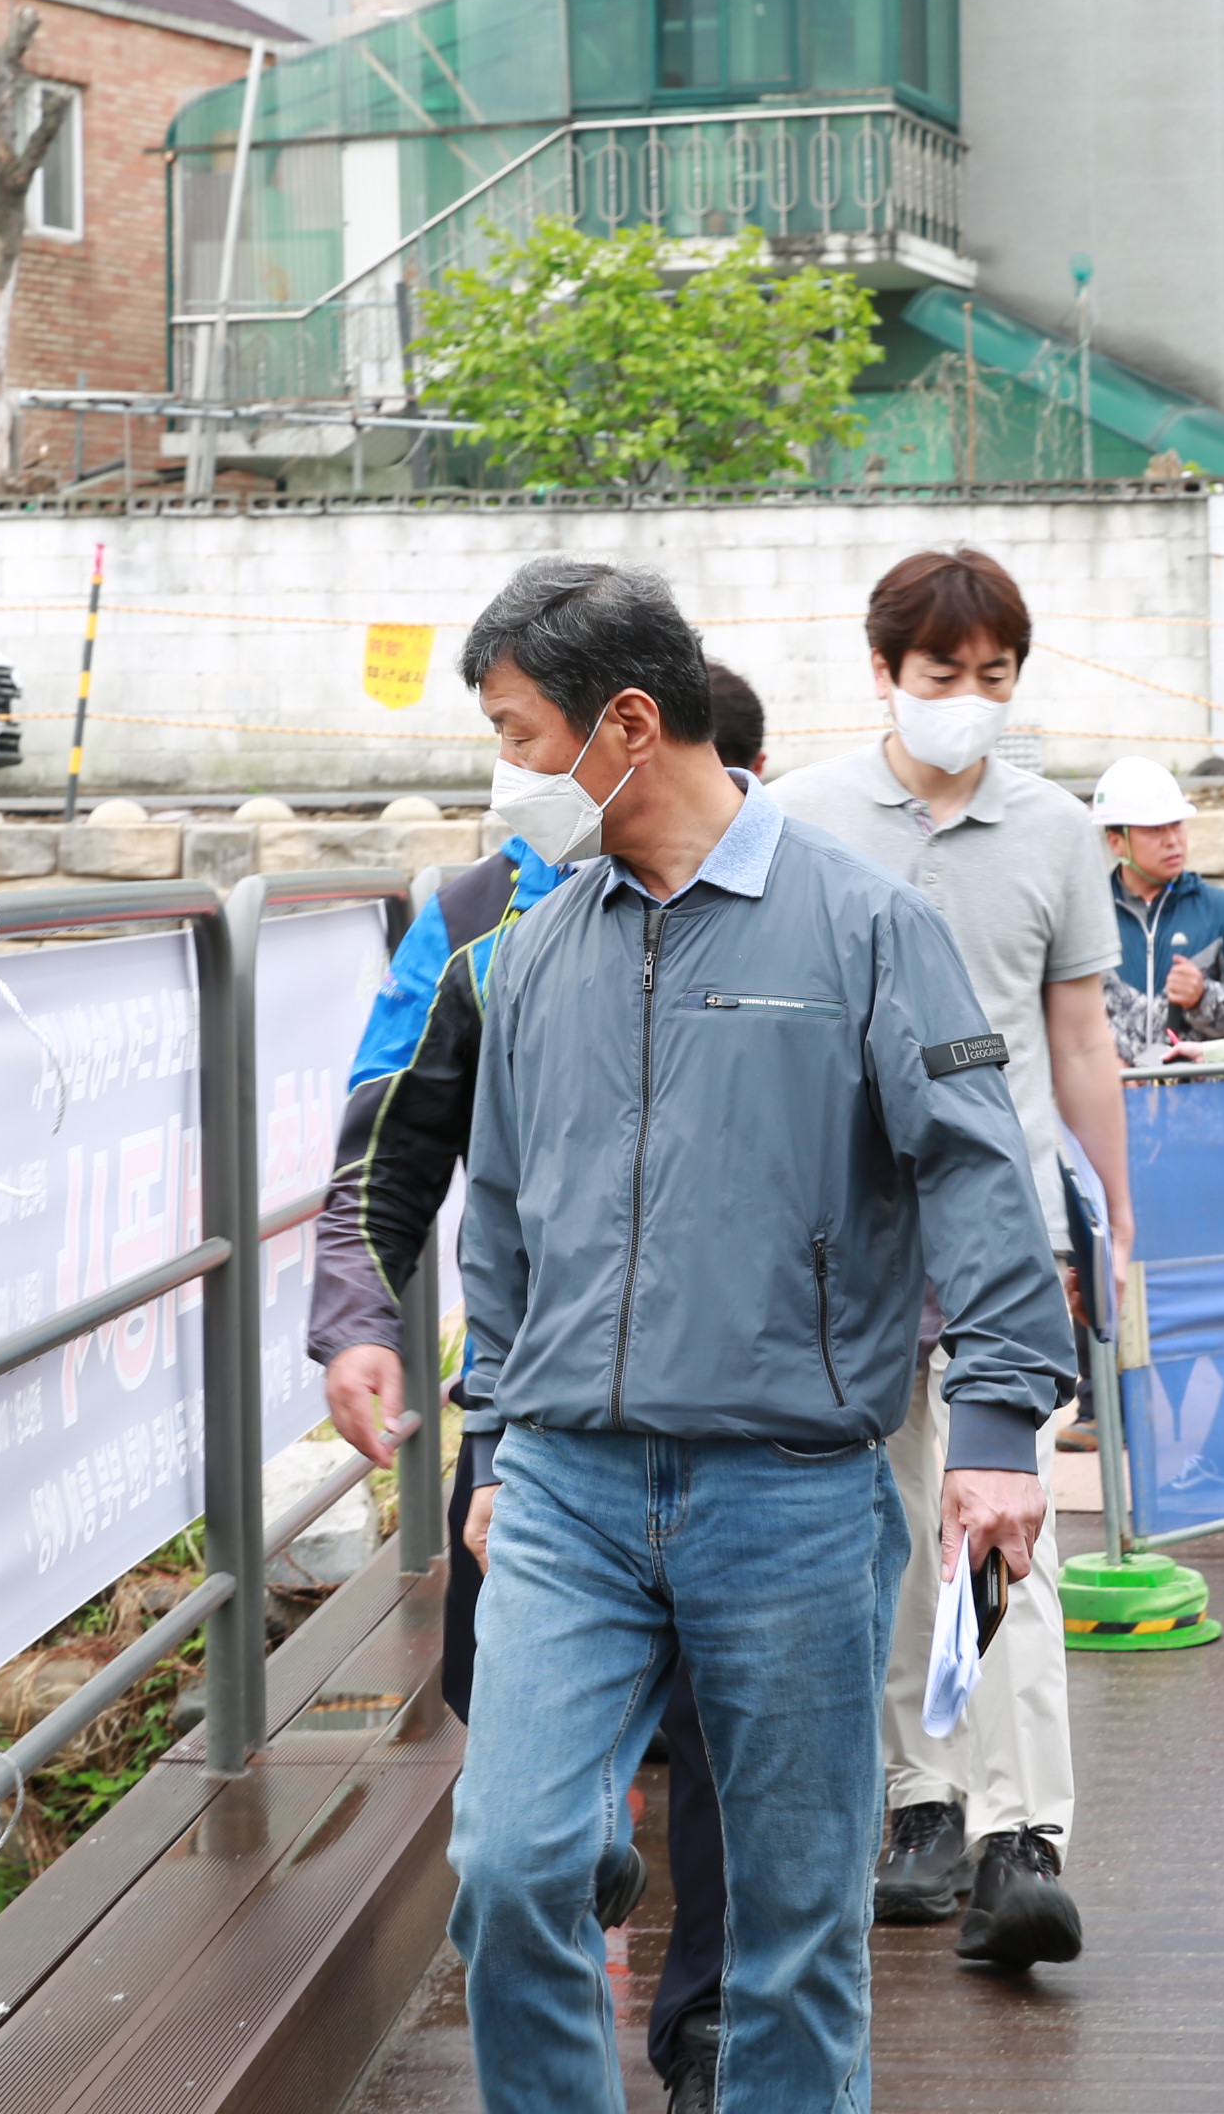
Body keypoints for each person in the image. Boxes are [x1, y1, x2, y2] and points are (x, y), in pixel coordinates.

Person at [442, 559, 1072, 2114]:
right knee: (512, 1865)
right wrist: (493, 1439)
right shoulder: (530, 953)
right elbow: (503, 1220)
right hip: (570, 1494)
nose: (505, 776)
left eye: (522, 737)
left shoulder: (868, 929)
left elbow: (979, 1171)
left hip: (791, 1495)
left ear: (628, 725)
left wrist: (995, 1435)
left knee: (795, 1935)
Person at [304, 658, 778, 2114]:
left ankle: (703, 2032)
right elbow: (384, 1148)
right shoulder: (470, 924)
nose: (518, 769)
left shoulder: (809, 922)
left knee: (721, 1743)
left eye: (523, 736)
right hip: (538, 1417)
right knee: (503, 1715)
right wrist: (356, 1319)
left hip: (748, 1430)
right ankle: (582, 1880)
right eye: (509, 739)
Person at [769, 547, 1132, 1971]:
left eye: (994, 678)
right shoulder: (797, 818)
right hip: (847, 1241)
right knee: (891, 1525)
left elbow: (1082, 1037)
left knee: (1010, 1525)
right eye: (942, 677)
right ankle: (922, 1810)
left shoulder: (1054, 830)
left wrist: (1109, 1218)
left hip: (1001, 1241)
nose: (968, 701)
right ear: (884, 674)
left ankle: (1020, 1834)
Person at [1091, 756, 1224, 1057]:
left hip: (1201, 1099)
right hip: (1112, 1097)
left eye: (1177, 825)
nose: (1173, 840)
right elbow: (1061, 1018)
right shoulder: (1088, 916)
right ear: (1116, 842)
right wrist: (1107, 1066)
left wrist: (1202, 997)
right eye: (1155, 830)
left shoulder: (1223, 910)